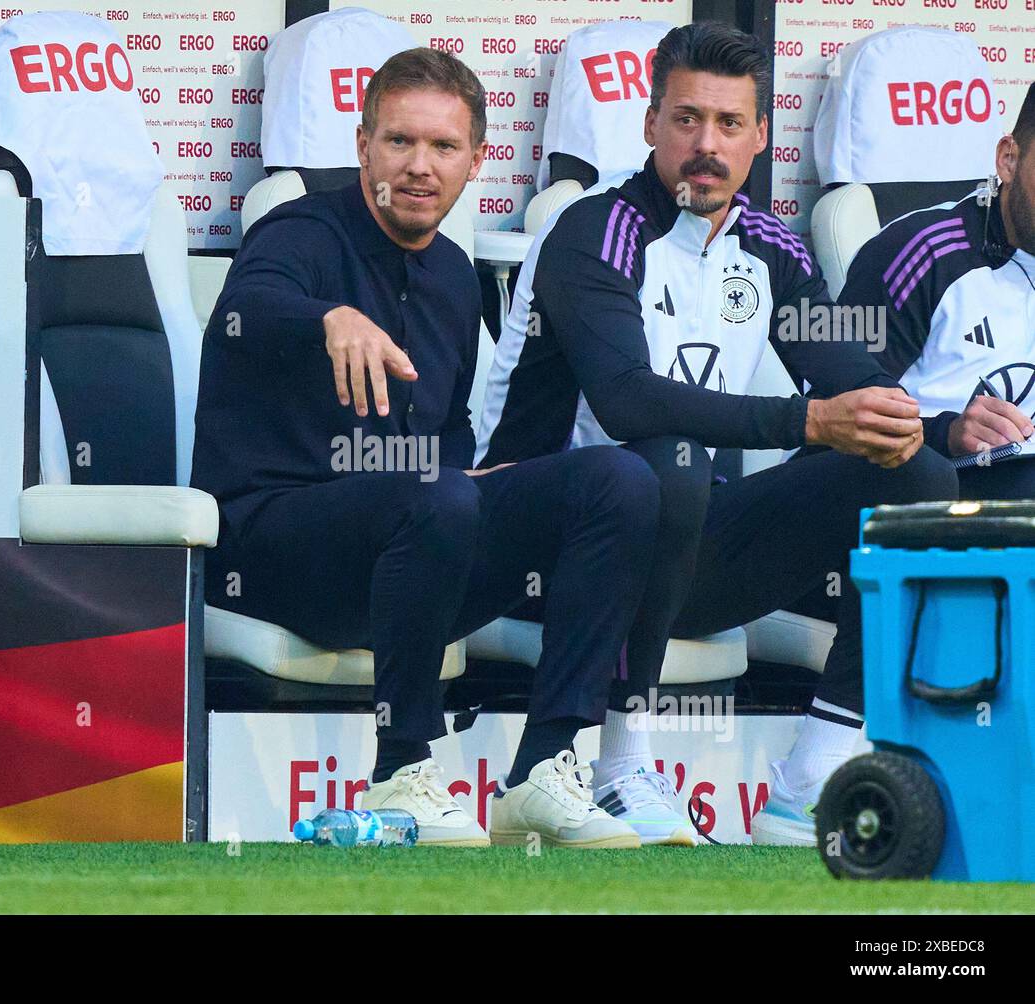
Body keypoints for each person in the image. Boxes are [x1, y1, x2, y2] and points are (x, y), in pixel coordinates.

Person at [475, 22, 959, 847]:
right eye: (688, 120)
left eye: (730, 125)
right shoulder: (595, 231)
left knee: (919, 478)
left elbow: (852, 378)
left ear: (761, 136)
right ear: (650, 125)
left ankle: (809, 784)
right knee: (669, 457)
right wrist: (808, 420)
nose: (707, 146)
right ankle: (620, 763)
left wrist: (926, 422)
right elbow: (628, 404)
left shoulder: (770, 247)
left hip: (676, 543)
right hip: (539, 548)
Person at [192, 48, 661, 848]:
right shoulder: (299, 231)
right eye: (400, 142)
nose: (419, 166)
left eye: (443, 148)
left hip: (409, 548)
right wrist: (327, 319)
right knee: (439, 497)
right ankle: (404, 770)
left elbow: (445, 444)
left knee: (618, 480)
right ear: (363, 145)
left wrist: (485, 482)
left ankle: (544, 768)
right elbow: (251, 301)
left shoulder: (451, 274)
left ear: (477, 161)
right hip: (274, 550)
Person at [837, 80, 1035, 495]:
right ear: (1009, 160)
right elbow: (829, 418)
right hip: (919, 487)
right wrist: (947, 432)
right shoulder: (918, 252)